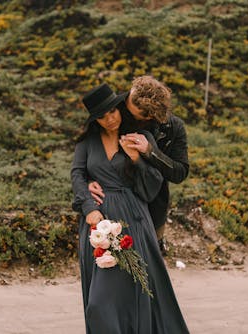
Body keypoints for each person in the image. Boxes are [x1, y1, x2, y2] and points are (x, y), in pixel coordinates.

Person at [71, 83, 189, 333]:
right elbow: (77, 176)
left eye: (112, 111)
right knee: (98, 303)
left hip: (134, 219)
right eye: (101, 116)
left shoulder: (141, 138)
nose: (109, 119)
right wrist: (89, 206)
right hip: (97, 223)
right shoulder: (87, 142)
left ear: (119, 108)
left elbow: (153, 186)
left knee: (137, 291)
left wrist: (137, 159)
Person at [88, 76, 189, 255]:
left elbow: (180, 172)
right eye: (133, 111)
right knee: (113, 264)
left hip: (153, 208)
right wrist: (88, 180)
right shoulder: (111, 112)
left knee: (152, 266)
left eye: (147, 116)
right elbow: (88, 154)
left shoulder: (173, 127)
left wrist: (151, 151)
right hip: (113, 207)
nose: (144, 119)